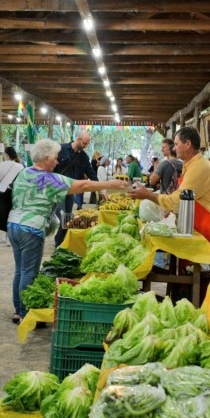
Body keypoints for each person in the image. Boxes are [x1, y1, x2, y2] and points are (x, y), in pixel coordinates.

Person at [7, 138, 129, 324]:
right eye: (55, 158)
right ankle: (26, 314)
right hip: (31, 229)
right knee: (29, 273)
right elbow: (83, 185)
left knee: (20, 270)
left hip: (13, 226)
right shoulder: (48, 179)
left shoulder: (24, 173)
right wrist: (111, 184)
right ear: (46, 157)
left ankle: (18, 310)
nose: (57, 161)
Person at [128, 126, 210, 255]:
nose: (174, 148)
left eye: (176, 144)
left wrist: (147, 195)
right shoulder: (191, 164)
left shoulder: (200, 167)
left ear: (187, 144)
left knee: (201, 273)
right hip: (199, 226)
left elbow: (178, 200)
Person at [53, 130, 97, 246]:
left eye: (87, 144)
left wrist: (100, 188)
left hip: (70, 192)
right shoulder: (60, 149)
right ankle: (59, 243)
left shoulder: (83, 156)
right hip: (57, 190)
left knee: (67, 218)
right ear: (78, 139)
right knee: (62, 216)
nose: (85, 146)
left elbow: (91, 172)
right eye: (84, 143)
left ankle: (62, 242)